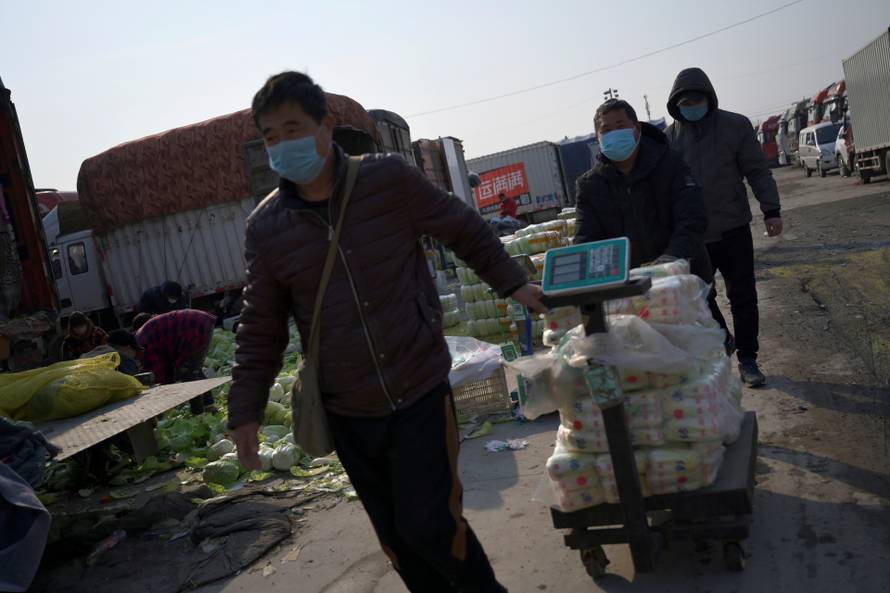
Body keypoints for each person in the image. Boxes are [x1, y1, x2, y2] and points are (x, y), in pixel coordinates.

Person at [228, 71, 546, 593]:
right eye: (270, 136)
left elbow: (461, 227)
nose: (282, 144)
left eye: (293, 127)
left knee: (432, 525)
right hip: (348, 407)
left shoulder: (386, 180)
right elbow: (259, 324)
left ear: (325, 126)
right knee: (399, 541)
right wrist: (245, 410)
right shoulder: (266, 227)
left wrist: (513, 284)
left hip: (417, 384)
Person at [664, 68, 783, 387]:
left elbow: (757, 170)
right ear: (676, 105)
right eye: (685, 102)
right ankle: (723, 340)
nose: (692, 106)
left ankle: (748, 359)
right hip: (694, 236)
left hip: (733, 227)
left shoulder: (735, 126)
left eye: (697, 99)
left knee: (743, 295)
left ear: (709, 98)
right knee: (700, 297)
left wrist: (771, 209)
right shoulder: (670, 138)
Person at [574, 99, 711, 281]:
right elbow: (586, 242)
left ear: (636, 129)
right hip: (629, 290)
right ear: (598, 138)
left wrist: (671, 260)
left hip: (684, 279)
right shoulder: (589, 186)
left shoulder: (671, 164)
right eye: (606, 130)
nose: (614, 134)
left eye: (620, 126)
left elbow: (693, 218)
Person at [134, 309, 217, 413]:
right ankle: (209, 406)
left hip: (194, 328)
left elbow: (159, 372)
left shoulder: (143, 344)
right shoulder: (143, 337)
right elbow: (167, 366)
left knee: (189, 373)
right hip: (199, 322)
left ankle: (199, 412)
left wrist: (165, 394)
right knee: (193, 369)